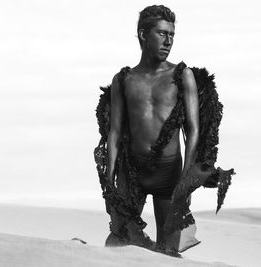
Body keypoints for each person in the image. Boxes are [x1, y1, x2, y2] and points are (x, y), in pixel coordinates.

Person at [94, 5, 235, 257]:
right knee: (119, 243)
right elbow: (114, 133)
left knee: (168, 253)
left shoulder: (182, 75)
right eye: (161, 34)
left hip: (169, 174)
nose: (168, 41)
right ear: (142, 35)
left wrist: (186, 178)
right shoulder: (123, 79)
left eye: (172, 35)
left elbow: (193, 130)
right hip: (133, 172)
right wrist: (111, 181)